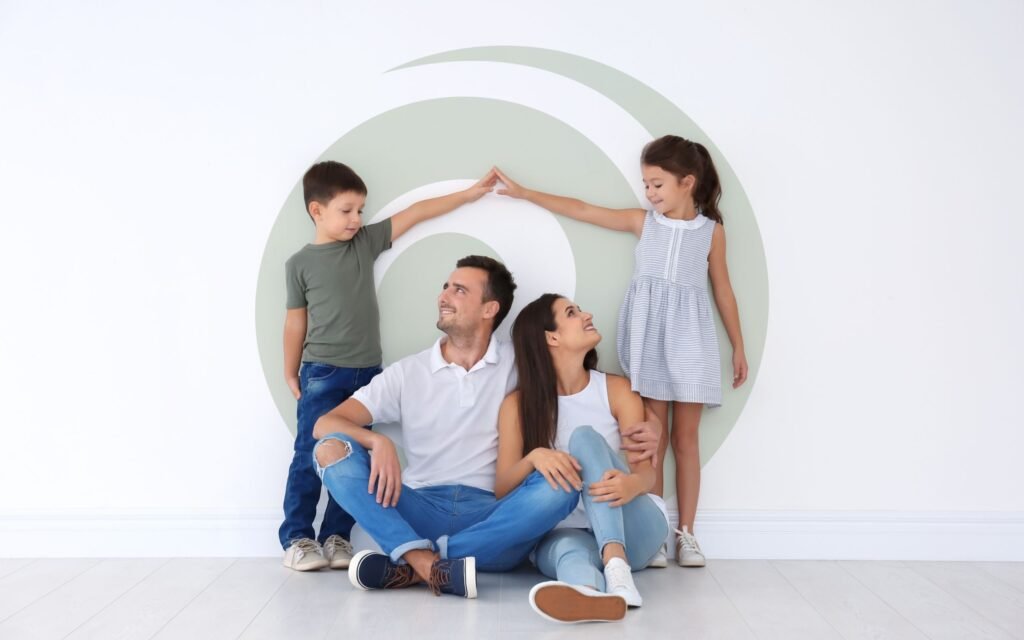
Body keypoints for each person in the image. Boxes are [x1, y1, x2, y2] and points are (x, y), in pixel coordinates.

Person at [311, 257, 661, 598]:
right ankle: (424, 563)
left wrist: (654, 425)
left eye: (459, 290)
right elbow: (325, 424)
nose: (443, 296)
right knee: (330, 449)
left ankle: (414, 565)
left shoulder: (521, 361)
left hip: (496, 517)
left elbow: (580, 383)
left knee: (564, 479)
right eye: (445, 287)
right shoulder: (407, 373)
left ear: (489, 309)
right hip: (419, 507)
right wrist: (376, 441)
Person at [494, 136, 747, 567]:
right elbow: (583, 209)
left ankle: (687, 533)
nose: (649, 193)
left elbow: (723, 289)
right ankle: (655, 534)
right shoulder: (643, 223)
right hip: (649, 341)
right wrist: (527, 193)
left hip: (690, 340)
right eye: (646, 184)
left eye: (657, 185)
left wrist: (738, 345)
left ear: (687, 182)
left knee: (686, 440)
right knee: (651, 440)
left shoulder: (711, 233)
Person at [279, 162, 497, 571]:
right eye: (347, 210)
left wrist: (468, 195)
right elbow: (295, 322)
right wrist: (291, 371)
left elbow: (416, 213)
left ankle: (337, 537)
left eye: (360, 210)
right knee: (310, 452)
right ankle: (297, 537)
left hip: (367, 372)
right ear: (317, 211)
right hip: (321, 372)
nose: (356, 219)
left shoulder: (363, 243)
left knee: (356, 454)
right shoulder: (299, 264)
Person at [496, 294, 668, 623]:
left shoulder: (617, 390)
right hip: (567, 532)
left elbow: (647, 475)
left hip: (634, 530)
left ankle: (616, 565)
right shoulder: (516, 407)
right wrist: (535, 457)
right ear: (551, 337)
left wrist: (631, 485)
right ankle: (588, 594)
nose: (587, 315)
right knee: (567, 552)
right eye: (572, 313)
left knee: (584, 438)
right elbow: (502, 488)